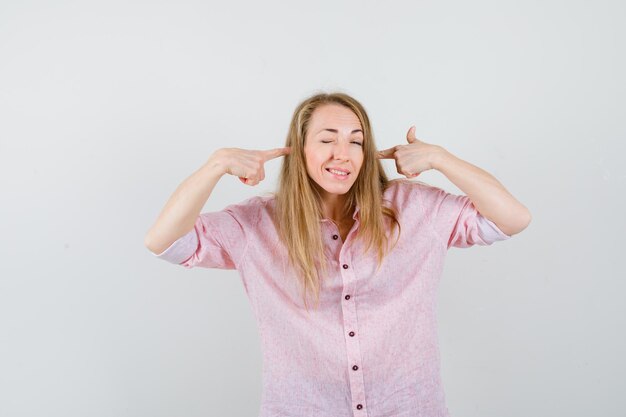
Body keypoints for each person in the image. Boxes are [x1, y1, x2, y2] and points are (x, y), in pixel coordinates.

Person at [144, 92, 531, 417]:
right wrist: (215, 165)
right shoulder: (256, 224)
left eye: (356, 140)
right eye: (328, 139)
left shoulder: (414, 208)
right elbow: (164, 242)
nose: (342, 154)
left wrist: (441, 159)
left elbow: (513, 218)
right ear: (299, 149)